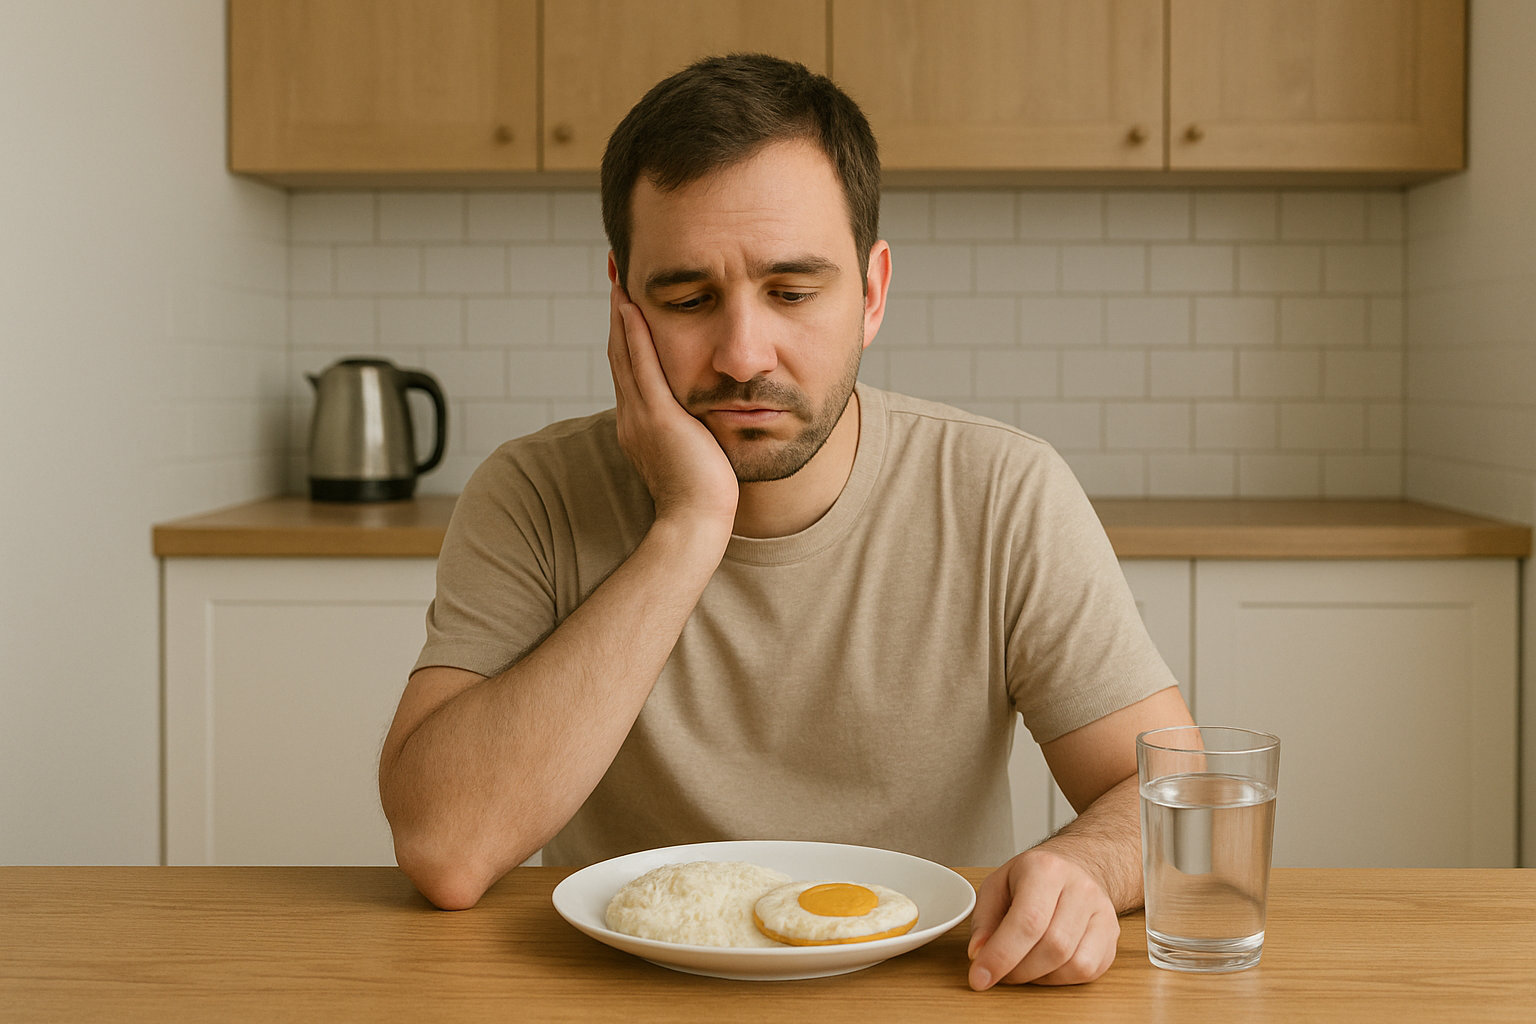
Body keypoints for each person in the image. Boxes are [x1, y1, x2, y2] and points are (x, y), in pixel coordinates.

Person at [378, 53, 1194, 990]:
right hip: (617, 998)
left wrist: (1084, 869)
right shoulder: (532, 493)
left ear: (873, 293)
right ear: (623, 302)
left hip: (929, 990)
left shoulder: (1003, 490)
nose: (740, 353)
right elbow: (444, 847)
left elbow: (1168, 794)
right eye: (687, 299)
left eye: (794, 293)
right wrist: (689, 527)